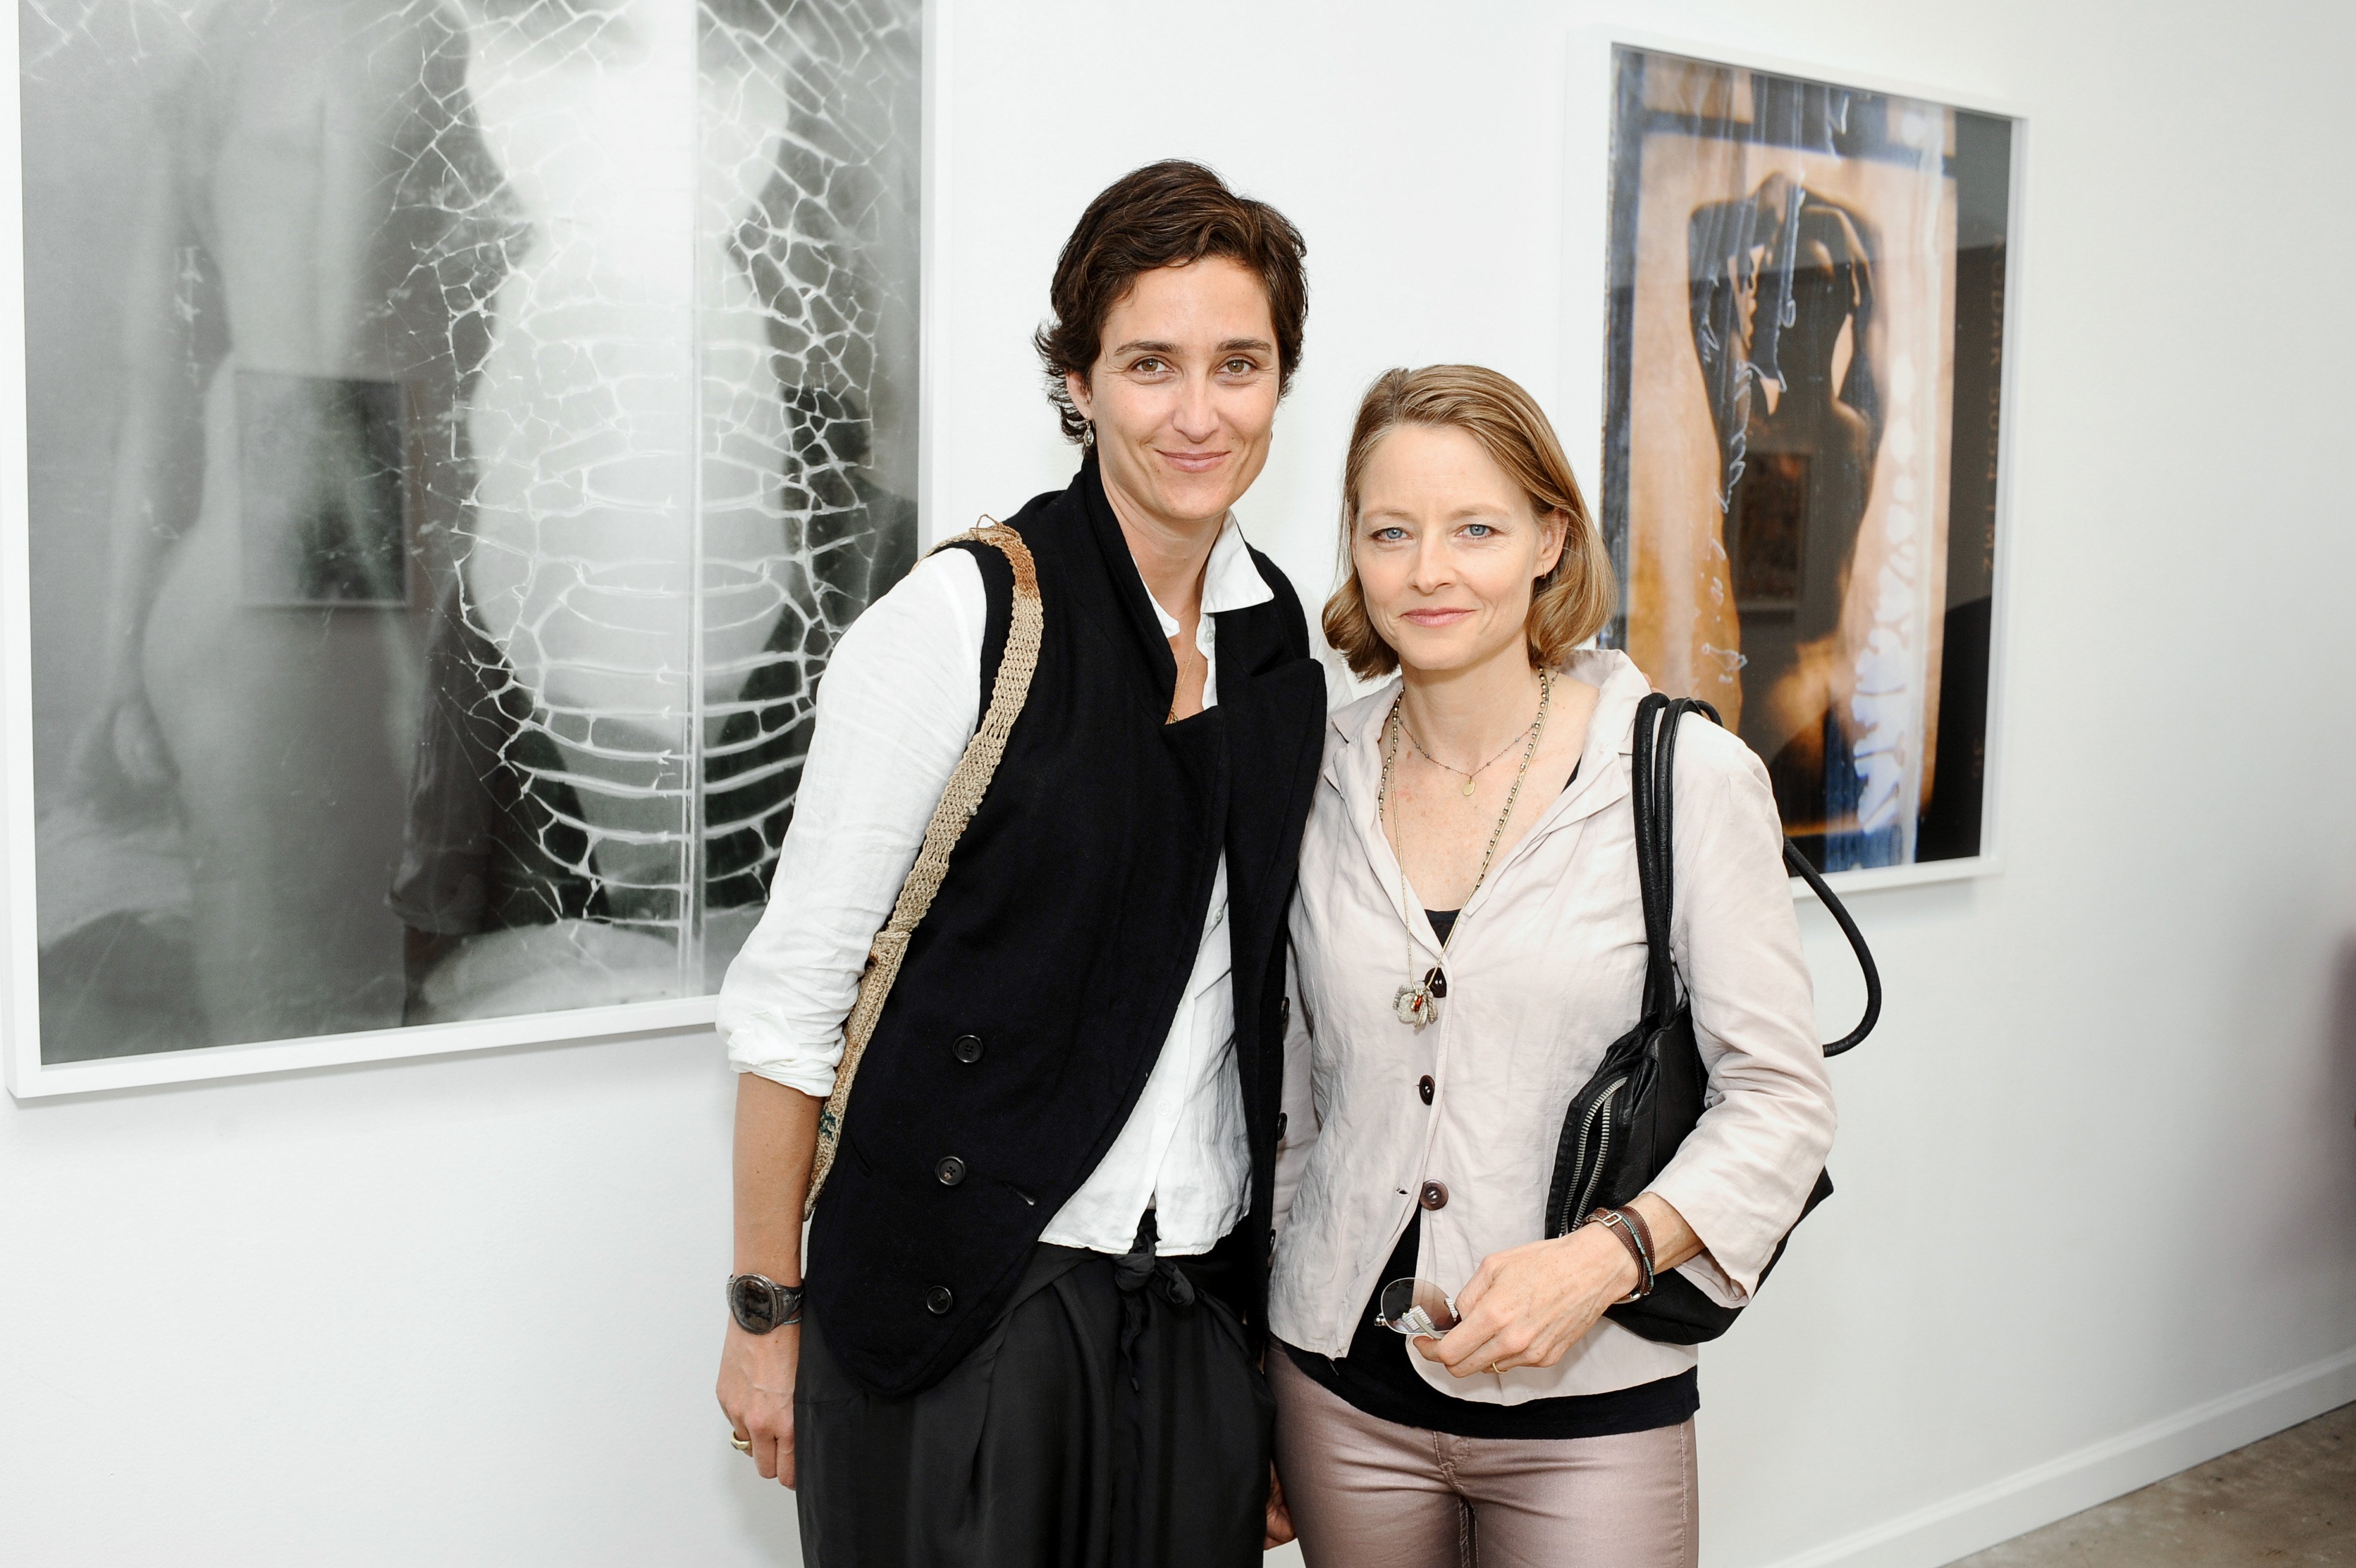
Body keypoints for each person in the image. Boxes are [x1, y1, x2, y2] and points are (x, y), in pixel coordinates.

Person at [712, 161, 1329, 1566]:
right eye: (1148, 364)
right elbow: (792, 1001)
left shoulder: (1275, 638)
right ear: (1077, 379)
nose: (1197, 412)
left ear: (1280, 384)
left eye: (1237, 365)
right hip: (956, 1309)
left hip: (1189, 1304)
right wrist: (765, 1316)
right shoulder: (959, 622)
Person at [1268, 365, 1837, 1567]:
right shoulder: (1305, 777)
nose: (1429, 569)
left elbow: (1780, 1099)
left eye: (1474, 527)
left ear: (1547, 538)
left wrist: (1601, 1258)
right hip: (1336, 1395)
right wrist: (1253, 1379)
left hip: (1590, 1404)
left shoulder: (1679, 776)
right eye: (1390, 532)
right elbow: (1289, 1103)